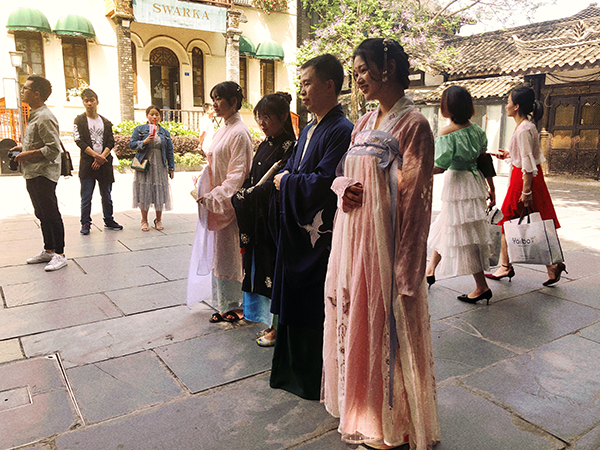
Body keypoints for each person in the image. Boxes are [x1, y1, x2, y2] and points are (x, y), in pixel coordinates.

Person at [322, 39, 440, 449]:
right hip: (354, 239)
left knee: (386, 329)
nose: (357, 79)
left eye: (362, 70)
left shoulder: (414, 125)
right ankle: (366, 412)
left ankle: (396, 422)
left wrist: (407, 266)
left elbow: (417, 200)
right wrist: (343, 188)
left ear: (386, 69)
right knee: (358, 323)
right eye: (355, 72)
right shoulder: (363, 122)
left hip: (386, 244)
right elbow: (342, 172)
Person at [270, 54, 353, 400]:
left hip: (318, 235)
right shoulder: (307, 129)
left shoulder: (342, 130)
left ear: (329, 85)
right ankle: (290, 372)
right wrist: (287, 177)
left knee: (313, 304)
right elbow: (290, 167)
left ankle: (313, 378)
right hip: (295, 233)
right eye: (301, 84)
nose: (301, 91)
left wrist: (287, 181)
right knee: (294, 301)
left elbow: (325, 181)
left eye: (307, 83)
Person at [232, 93, 296, 347]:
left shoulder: (290, 148)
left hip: (273, 222)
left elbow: (277, 185)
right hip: (257, 221)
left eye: (267, 117)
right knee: (258, 270)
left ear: (283, 117)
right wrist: (244, 193)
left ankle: (277, 327)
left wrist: (248, 195)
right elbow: (252, 178)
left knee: (274, 273)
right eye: (259, 117)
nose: (262, 123)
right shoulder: (264, 145)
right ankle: (267, 322)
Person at [186, 81, 253, 323]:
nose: (214, 103)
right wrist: (203, 179)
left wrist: (216, 196)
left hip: (229, 204)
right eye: (213, 98)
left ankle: (237, 305)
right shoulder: (223, 128)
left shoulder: (240, 132)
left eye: (219, 98)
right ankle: (224, 303)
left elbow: (238, 174)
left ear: (233, 102)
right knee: (221, 254)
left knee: (231, 255)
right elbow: (215, 164)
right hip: (218, 200)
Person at [486, 86, 565, 286]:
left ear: (517, 106)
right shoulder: (527, 126)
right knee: (538, 221)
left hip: (523, 180)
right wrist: (509, 155)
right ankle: (553, 266)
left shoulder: (523, 129)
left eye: (508, 102)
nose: (506, 105)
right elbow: (527, 157)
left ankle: (506, 266)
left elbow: (527, 162)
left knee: (506, 221)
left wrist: (526, 190)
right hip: (529, 178)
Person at [425, 86, 495, 304]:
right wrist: (491, 187)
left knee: (465, 235)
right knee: (448, 224)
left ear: (448, 106)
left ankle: (481, 286)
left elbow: (440, 166)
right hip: (474, 183)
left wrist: (415, 170)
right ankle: (430, 269)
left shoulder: (447, 132)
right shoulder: (477, 130)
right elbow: (484, 160)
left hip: (457, 185)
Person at [12, 76, 67, 272]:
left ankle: (60, 254)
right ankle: (49, 249)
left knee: (50, 213)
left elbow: (52, 149)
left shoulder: (45, 117)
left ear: (37, 94)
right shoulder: (35, 114)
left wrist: (27, 154)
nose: (22, 91)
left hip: (44, 173)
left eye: (25, 88)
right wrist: (23, 148)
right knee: (41, 212)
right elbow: (40, 142)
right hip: (32, 172)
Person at [74, 88, 123, 235]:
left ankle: (109, 219)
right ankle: (85, 223)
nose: (89, 103)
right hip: (87, 164)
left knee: (106, 195)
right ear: (83, 103)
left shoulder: (106, 122)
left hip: (104, 164)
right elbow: (79, 141)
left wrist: (102, 157)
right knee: (86, 196)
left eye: (92, 100)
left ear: (97, 102)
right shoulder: (79, 120)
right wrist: (96, 156)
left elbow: (110, 141)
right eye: (86, 101)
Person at [129, 106, 175, 231]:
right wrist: (144, 142)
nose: (154, 117)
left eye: (157, 114)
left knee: (159, 191)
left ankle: (158, 219)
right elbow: (131, 144)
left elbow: (169, 151)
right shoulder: (140, 130)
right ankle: (144, 220)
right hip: (145, 165)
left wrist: (171, 167)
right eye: (151, 114)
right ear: (147, 116)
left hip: (160, 164)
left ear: (160, 116)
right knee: (145, 191)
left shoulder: (165, 132)